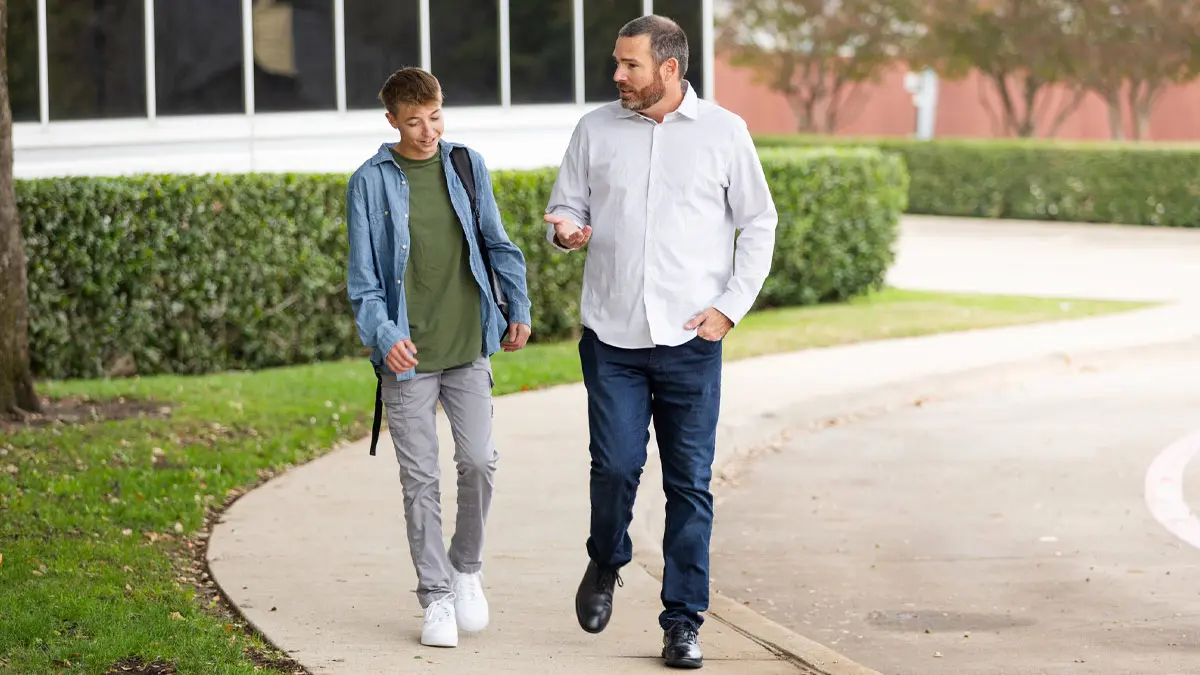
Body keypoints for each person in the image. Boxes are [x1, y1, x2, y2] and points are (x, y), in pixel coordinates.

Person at [544, 14, 778, 670]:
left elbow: (759, 222)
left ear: (669, 69)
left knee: (689, 483)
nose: (616, 75)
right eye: (617, 63)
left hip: (690, 338)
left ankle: (682, 620)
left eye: (630, 65)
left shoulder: (725, 133)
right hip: (611, 334)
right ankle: (606, 558)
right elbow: (568, 206)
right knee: (615, 465)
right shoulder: (594, 129)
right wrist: (564, 230)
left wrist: (729, 309)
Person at [345, 67, 533, 649]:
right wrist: (383, 336)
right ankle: (435, 598)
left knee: (480, 462)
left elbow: (497, 243)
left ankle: (466, 569)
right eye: (414, 122)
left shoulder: (465, 165)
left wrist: (517, 307)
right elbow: (363, 283)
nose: (427, 131)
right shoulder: (369, 182)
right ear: (391, 122)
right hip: (407, 359)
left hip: (467, 346)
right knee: (420, 480)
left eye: (436, 117)